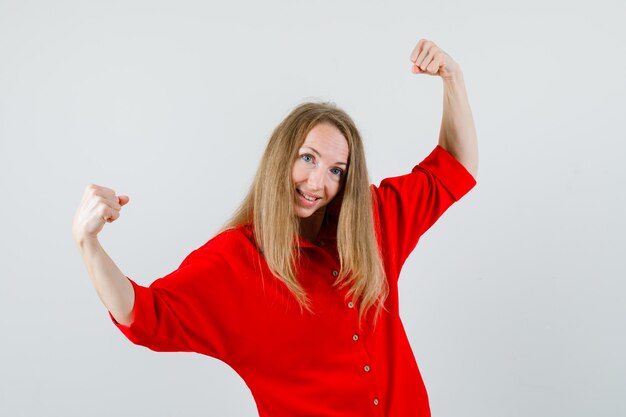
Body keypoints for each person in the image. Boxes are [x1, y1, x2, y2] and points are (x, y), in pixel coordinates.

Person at [72, 39, 478, 417]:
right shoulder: (234, 261)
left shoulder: (372, 221)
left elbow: (454, 168)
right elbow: (141, 316)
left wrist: (452, 78)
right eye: (308, 158)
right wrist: (87, 242)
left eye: (337, 170)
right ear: (281, 156)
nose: (318, 182)